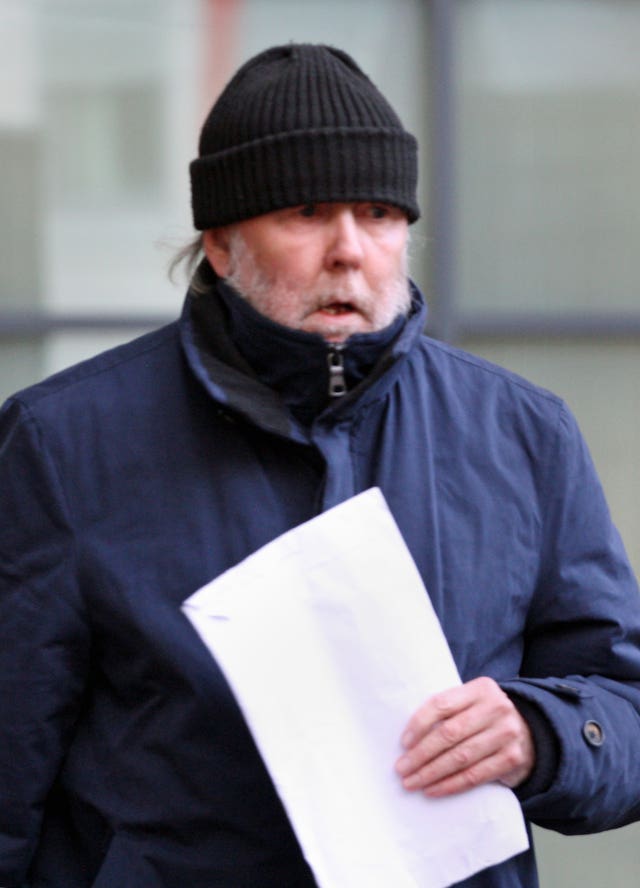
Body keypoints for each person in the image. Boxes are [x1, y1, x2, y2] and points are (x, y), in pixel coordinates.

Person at [1, 42, 639, 888]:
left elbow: (624, 706)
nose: (349, 249)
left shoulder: (523, 434)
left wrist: (545, 732)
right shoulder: (60, 444)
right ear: (222, 243)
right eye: (305, 211)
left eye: (378, 212)